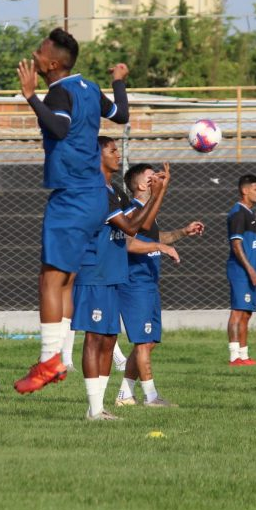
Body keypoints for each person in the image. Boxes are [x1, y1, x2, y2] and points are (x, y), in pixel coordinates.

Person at [13, 27, 130, 394]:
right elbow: (122, 114)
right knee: (63, 278)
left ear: (51, 63)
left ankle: (49, 360)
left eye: (40, 50)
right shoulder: (91, 88)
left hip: (73, 195)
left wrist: (31, 97)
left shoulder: (60, 91)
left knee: (50, 278)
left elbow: (59, 129)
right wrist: (119, 81)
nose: (35, 53)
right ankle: (58, 360)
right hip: (95, 195)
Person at [72, 137, 166, 420]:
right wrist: (159, 192)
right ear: (97, 156)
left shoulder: (113, 190)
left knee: (109, 339)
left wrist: (160, 192)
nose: (117, 153)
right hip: (95, 273)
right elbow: (131, 228)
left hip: (113, 274)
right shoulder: (95, 191)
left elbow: (144, 225)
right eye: (112, 150)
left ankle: (99, 407)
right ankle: (94, 408)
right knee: (94, 338)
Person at [115, 162, 203, 407]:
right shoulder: (132, 210)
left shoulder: (147, 212)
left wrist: (183, 232)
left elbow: (156, 237)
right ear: (142, 185)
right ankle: (152, 397)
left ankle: (125, 393)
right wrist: (159, 247)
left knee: (149, 341)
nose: (158, 178)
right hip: (135, 284)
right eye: (152, 176)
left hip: (149, 283)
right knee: (143, 342)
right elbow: (130, 244)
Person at [226, 175, 256, 366]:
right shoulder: (238, 213)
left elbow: (251, 247)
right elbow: (236, 245)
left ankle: (244, 356)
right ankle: (234, 356)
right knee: (238, 312)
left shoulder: (249, 213)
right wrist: (252, 271)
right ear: (245, 191)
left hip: (252, 271)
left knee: (247, 313)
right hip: (240, 271)